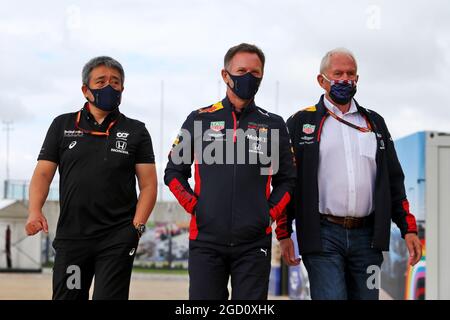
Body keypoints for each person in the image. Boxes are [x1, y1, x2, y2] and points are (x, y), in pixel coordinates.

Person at [285, 48, 423, 300]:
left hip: (368, 238)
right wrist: (283, 234)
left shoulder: (375, 123)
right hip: (322, 235)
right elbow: (287, 182)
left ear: (357, 80)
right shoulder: (299, 122)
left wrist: (408, 229)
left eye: (351, 74)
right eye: (338, 74)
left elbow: (394, 181)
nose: (345, 79)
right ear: (321, 80)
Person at [164, 43, 297, 300]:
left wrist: (267, 213)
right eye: (242, 70)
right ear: (225, 75)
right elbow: (173, 172)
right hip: (206, 241)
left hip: (254, 243)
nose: (248, 77)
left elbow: (288, 180)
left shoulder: (274, 124)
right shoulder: (198, 119)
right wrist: (195, 206)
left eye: (255, 72)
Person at [25, 56, 157, 300]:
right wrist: (35, 210)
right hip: (73, 240)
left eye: (115, 82)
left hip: (117, 239)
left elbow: (148, 185)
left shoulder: (137, 131)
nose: (109, 86)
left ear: (122, 89)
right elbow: (43, 174)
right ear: (86, 89)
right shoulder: (62, 125)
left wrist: (136, 227)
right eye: (101, 81)